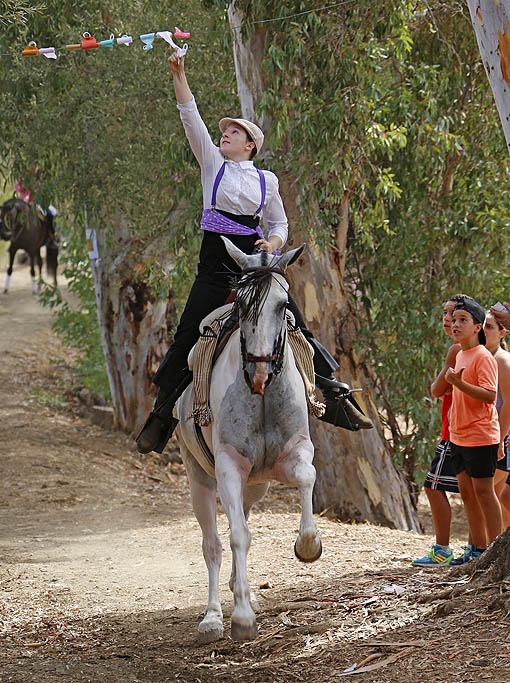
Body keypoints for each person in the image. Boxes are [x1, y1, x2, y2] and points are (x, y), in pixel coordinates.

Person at [136, 52, 373, 454]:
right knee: (187, 332)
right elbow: (189, 116)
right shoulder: (212, 163)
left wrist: (275, 244)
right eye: (223, 132)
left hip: (257, 263)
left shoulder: (268, 180)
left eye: (233, 133)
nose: (224, 134)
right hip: (215, 264)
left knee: (294, 323)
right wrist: (179, 73)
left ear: (250, 145)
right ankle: (162, 415)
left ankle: (332, 394)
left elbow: (279, 225)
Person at [412, 294, 482, 567]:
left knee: (434, 486)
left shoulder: (459, 351)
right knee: (473, 493)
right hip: (459, 428)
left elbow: (436, 390)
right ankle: (475, 547)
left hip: (456, 431)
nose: (448, 321)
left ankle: (444, 549)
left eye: (455, 316)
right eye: (447, 315)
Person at [445, 299, 503, 565]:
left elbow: (490, 396)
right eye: (453, 319)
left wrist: (458, 383)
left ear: (477, 326)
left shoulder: (483, 357)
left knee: (484, 492)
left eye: (462, 320)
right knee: (466, 493)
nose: (455, 324)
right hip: (458, 436)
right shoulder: (458, 354)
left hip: (481, 437)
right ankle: (477, 549)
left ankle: (495, 549)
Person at [484, 310, 510, 526]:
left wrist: (500, 440)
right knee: (500, 497)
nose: (484, 330)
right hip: (487, 436)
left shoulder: (502, 360)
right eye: (482, 325)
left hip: (501, 439)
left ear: (502, 332)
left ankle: (481, 545)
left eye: (490, 327)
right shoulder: (485, 358)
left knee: (486, 493)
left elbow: (508, 403)